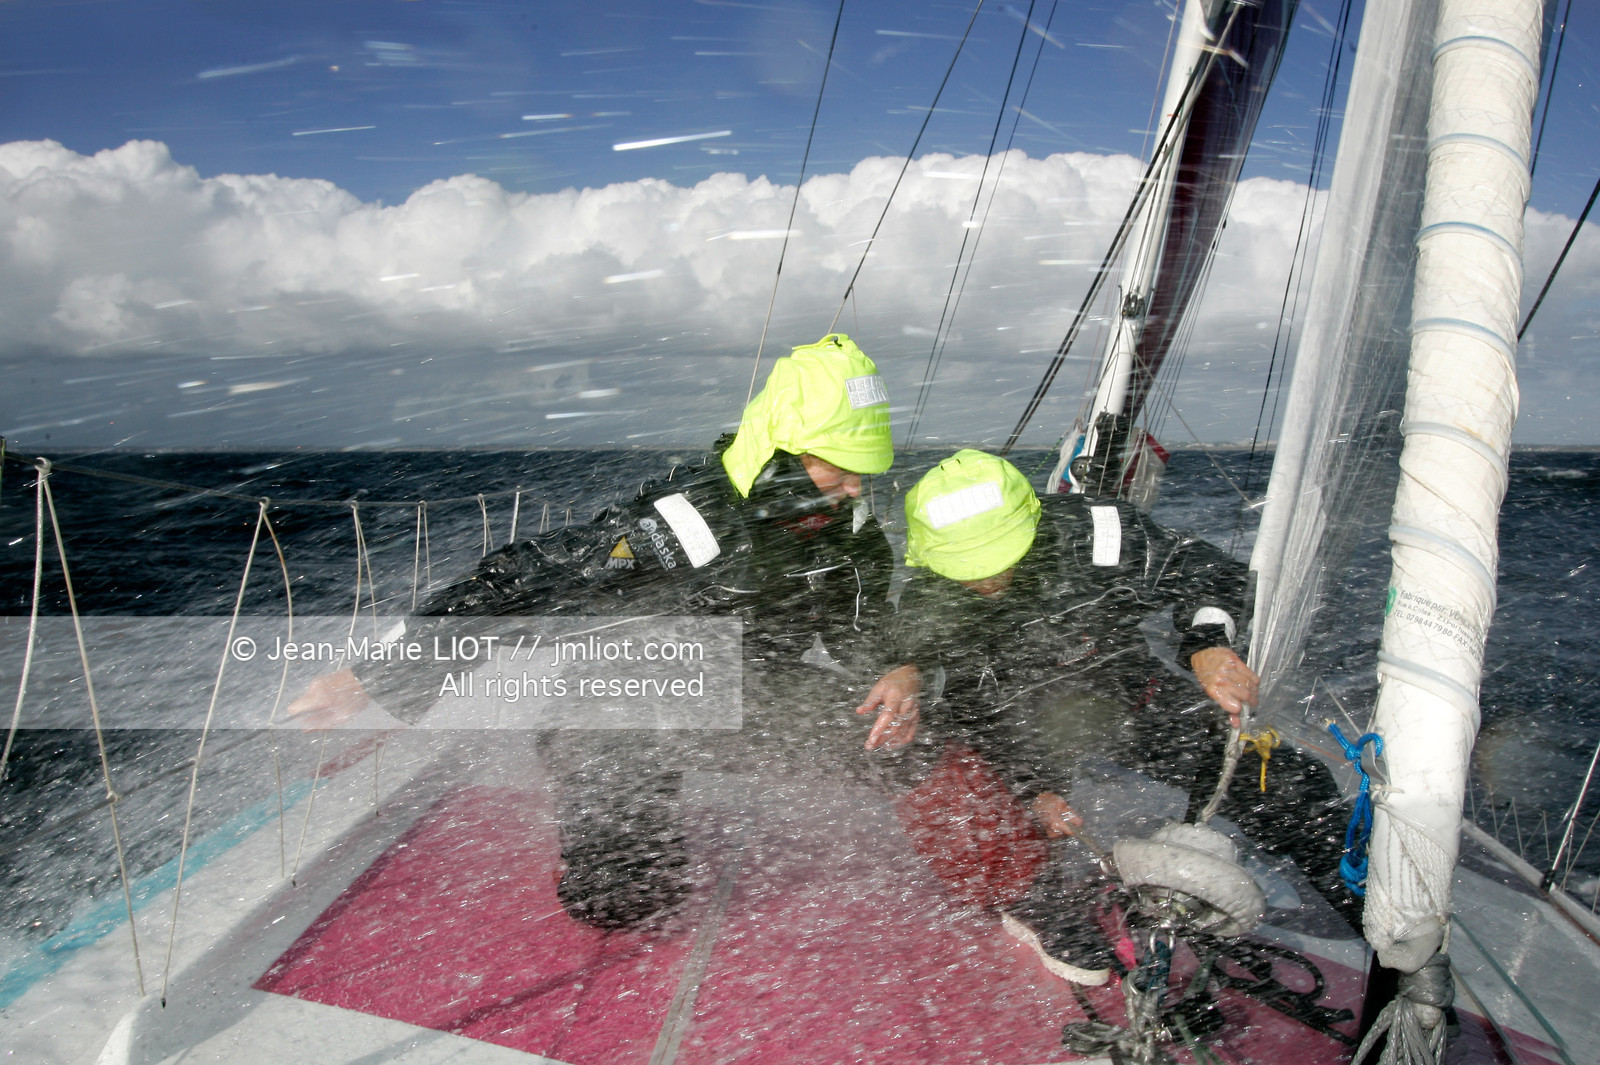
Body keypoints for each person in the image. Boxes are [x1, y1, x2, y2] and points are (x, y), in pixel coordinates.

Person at [289, 333, 899, 929]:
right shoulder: (684, 526)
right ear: (780, 452)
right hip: (628, 704)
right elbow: (521, 584)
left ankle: (996, 893)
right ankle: (605, 850)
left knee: (925, 741)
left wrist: (900, 669)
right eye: (837, 468)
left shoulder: (852, 535)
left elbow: (864, 635)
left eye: (864, 473)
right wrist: (379, 681)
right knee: (620, 904)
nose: (854, 490)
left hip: (756, 692)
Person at [855, 450, 1352, 982]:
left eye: (1003, 556)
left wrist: (1207, 642)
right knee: (953, 780)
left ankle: (1377, 913)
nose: (990, 577)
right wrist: (1028, 789)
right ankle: (1036, 903)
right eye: (970, 570)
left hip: (1120, 692)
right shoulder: (934, 591)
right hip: (1014, 724)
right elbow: (943, 683)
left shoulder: (1101, 531)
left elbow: (1212, 574)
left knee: (1287, 785)